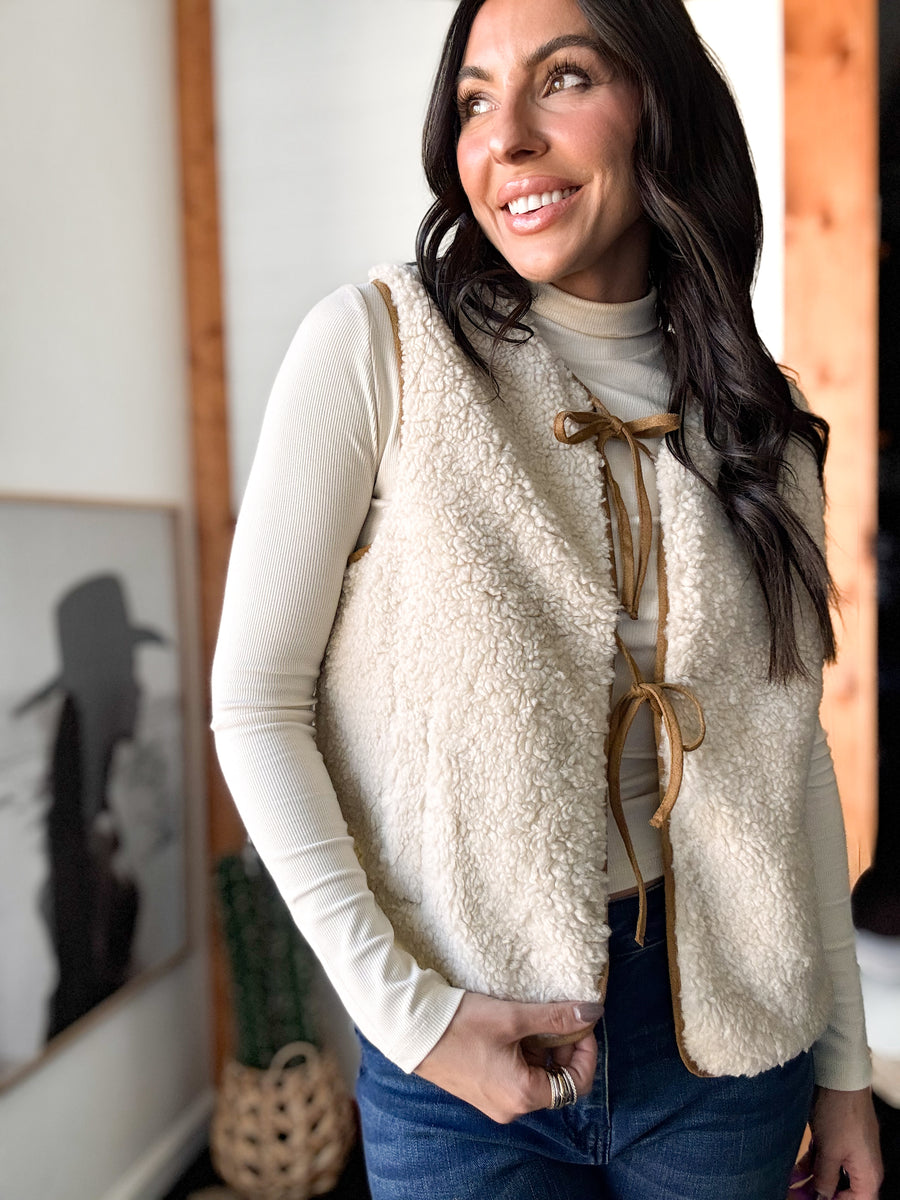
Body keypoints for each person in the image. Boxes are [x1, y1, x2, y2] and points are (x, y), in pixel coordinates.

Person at [211, 1, 884, 1196]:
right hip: (460, 1045)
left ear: (658, 103)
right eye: (475, 99)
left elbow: (792, 759)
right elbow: (255, 705)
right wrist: (410, 1018)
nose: (507, 136)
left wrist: (844, 1070)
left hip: (731, 1046)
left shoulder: (760, 426)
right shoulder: (380, 349)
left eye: (564, 78)